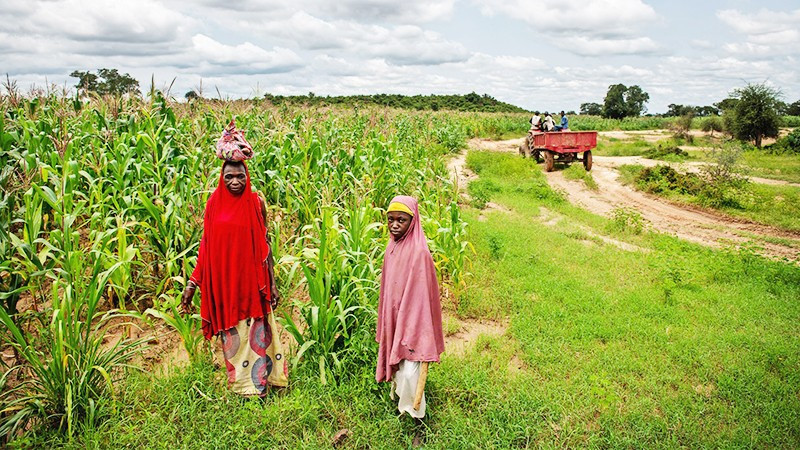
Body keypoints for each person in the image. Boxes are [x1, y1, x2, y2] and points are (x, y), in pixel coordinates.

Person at [182, 120, 287, 396]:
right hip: (227, 286)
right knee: (233, 337)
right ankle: (242, 386)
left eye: (240, 176)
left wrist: (272, 283)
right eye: (229, 176)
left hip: (253, 285)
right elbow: (207, 245)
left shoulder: (256, 203)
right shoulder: (213, 204)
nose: (235, 182)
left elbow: (265, 245)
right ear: (222, 177)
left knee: (257, 336)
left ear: (247, 175)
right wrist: (193, 283)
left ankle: (261, 387)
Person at [376, 196, 444, 421]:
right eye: (390, 219)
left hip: (415, 322)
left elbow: (422, 298)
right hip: (396, 317)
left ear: (413, 222)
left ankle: (416, 417)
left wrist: (408, 321)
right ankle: (400, 400)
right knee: (399, 366)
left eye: (401, 220)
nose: (394, 225)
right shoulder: (392, 247)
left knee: (409, 373)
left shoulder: (419, 253)